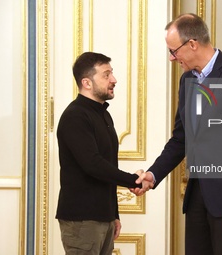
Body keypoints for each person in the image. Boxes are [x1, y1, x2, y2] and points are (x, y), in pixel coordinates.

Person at [132, 13, 222, 255]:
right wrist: (153, 175)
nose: (171, 58)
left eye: (173, 51)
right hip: (197, 197)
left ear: (193, 44)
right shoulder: (187, 80)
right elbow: (181, 139)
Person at [56, 52, 151, 255]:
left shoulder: (103, 115)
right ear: (87, 83)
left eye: (112, 74)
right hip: (82, 219)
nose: (114, 80)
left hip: (103, 216)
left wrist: (113, 214)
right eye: (106, 75)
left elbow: (108, 166)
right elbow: (93, 164)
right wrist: (134, 180)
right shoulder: (75, 116)